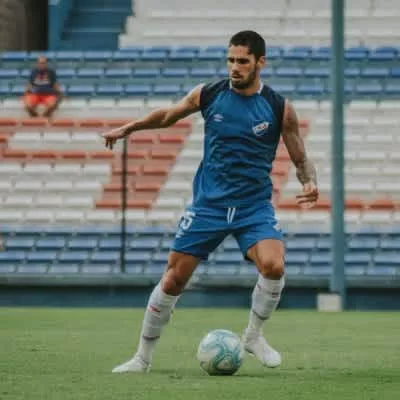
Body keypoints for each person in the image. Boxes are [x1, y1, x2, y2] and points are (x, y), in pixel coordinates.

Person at [102, 30, 319, 373]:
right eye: (230, 60)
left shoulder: (279, 107)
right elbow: (168, 115)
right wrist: (129, 128)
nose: (234, 67)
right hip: (209, 206)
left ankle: (253, 336)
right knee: (173, 280)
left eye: (242, 61)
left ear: (260, 62)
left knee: (274, 266)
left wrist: (309, 181)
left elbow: (300, 155)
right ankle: (142, 358)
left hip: (253, 207)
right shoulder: (209, 93)